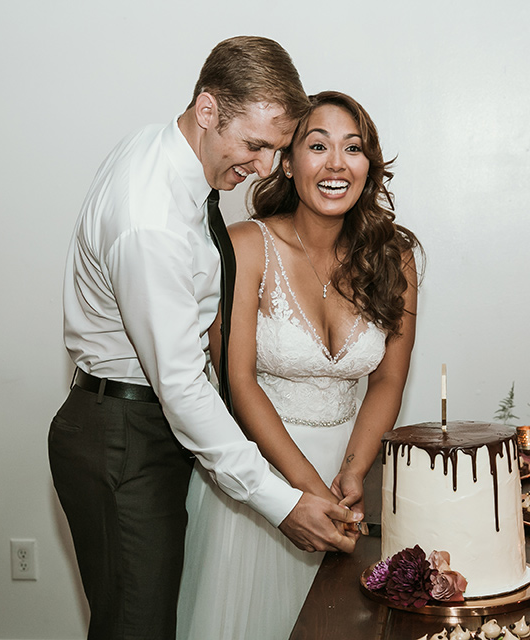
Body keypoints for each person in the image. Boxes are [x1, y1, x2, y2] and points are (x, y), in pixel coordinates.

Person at [48, 39, 361, 640]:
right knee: (137, 628)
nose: (266, 168)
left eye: (276, 148)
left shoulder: (168, 151)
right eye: (256, 146)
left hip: (146, 425)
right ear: (209, 108)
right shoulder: (152, 222)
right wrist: (282, 503)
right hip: (124, 440)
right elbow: (181, 384)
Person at [177, 91, 420, 640]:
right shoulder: (245, 246)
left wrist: (353, 474)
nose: (336, 163)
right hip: (260, 480)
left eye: (352, 148)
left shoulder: (394, 255)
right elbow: (237, 384)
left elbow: (388, 379)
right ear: (287, 162)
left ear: (368, 166)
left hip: (347, 480)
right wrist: (305, 493)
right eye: (317, 146)